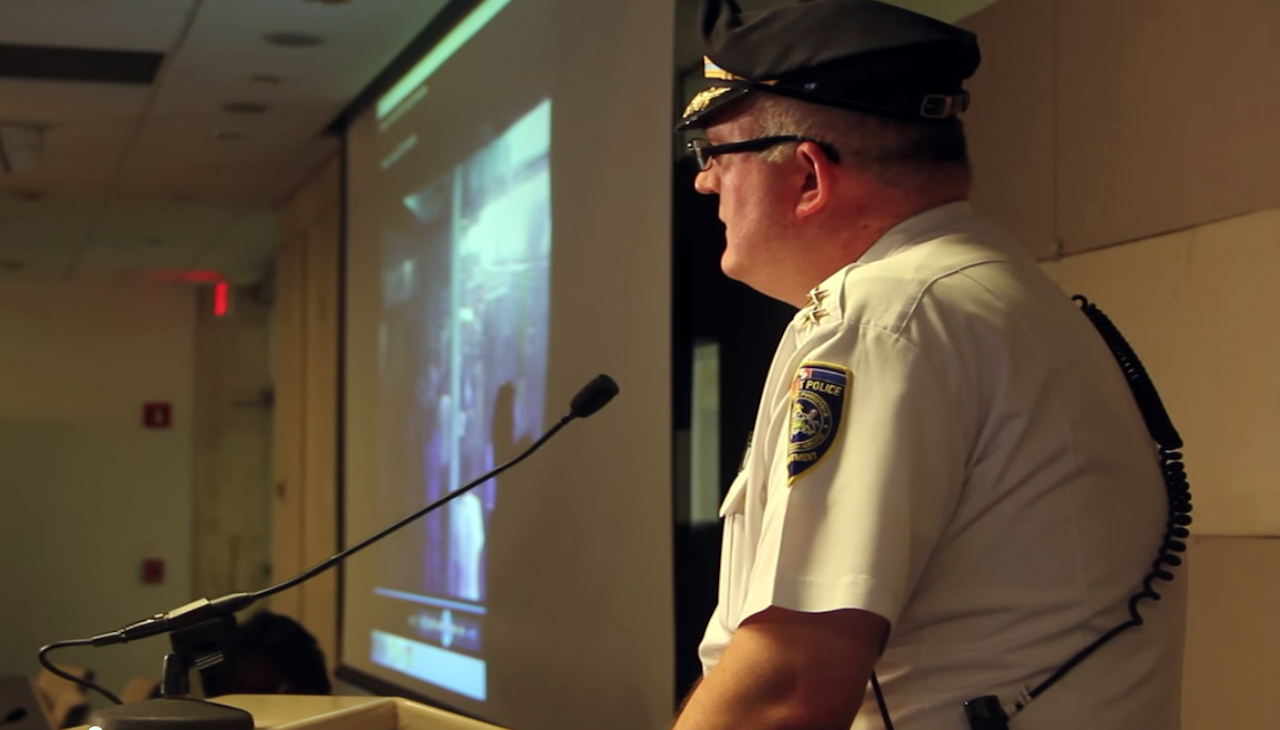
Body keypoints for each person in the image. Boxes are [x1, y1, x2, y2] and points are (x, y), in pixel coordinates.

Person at [671, 1, 1186, 729]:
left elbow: (788, 687)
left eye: (714, 155)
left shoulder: (886, 315)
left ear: (809, 178)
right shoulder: (988, 293)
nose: (703, 183)